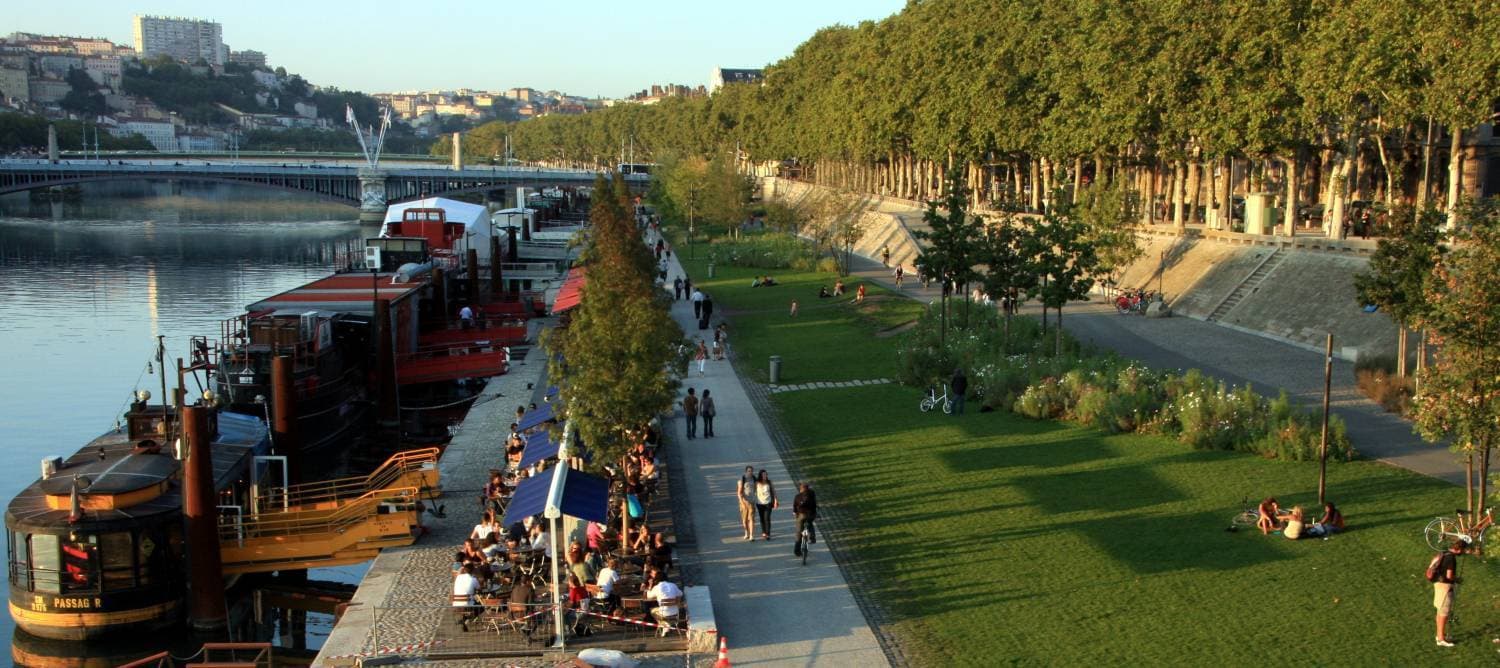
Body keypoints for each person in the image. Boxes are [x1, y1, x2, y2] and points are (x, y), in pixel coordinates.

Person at [1432, 541, 1463, 647]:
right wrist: (1457, 579)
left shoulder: (1444, 553)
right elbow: (1449, 576)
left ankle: (1439, 635)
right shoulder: (1451, 559)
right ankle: (1441, 639)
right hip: (1445, 588)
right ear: (1458, 549)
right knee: (1444, 613)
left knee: (1440, 611)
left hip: (1437, 584)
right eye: (1462, 551)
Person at [451, 564, 481, 630]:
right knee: (482, 606)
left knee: (467, 604)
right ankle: (467, 619)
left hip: (456, 603)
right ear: (473, 571)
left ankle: (464, 619)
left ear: (464, 570)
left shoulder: (458, 577)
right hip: (467, 603)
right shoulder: (473, 579)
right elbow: (479, 588)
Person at [793, 482, 818, 558]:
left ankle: (797, 551)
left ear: (800, 489)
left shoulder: (798, 496)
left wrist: (795, 513)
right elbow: (815, 504)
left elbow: (794, 507)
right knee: (810, 523)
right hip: (811, 514)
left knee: (799, 532)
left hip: (802, 515)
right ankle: (812, 537)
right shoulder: (812, 494)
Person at [754, 469, 778, 540]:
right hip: (759, 503)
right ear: (760, 475)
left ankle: (768, 534)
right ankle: (763, 532)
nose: (764, 476)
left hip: (768, 503)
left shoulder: (769, 482)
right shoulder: (757, 483)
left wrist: (776, 501)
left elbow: (773, 492)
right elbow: (753, 491)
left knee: (767, 518)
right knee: (762, 518)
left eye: (765, 474)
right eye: (763, 475)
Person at [736, 465, 757, 541]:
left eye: (751, 471)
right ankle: (746, 532)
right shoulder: (742, 479)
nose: (750, 472)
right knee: (744, 520)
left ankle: (751, 535)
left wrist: (754, 497)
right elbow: (739, 493)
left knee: (751, 518)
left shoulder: (754, 478)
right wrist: (742, 503)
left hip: (751, 502)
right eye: (749, 471)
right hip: (744, 502)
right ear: (746, 471)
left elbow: (755, 488)